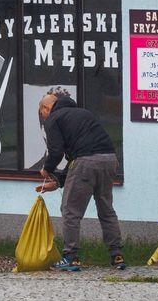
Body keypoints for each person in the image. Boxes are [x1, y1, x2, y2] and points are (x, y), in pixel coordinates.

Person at [35, 94, 126, 272]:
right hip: (109, 160)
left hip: (86, 162)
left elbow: (57, 152)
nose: (43, 116)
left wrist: (47, 169)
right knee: (106, 209)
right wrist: (59, 181)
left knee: (70, 211)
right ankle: (117, 256)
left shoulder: (53, 118)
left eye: (42, 113)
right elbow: (79, 155)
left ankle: (71, 257)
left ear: (46, 108)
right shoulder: (84, 114)